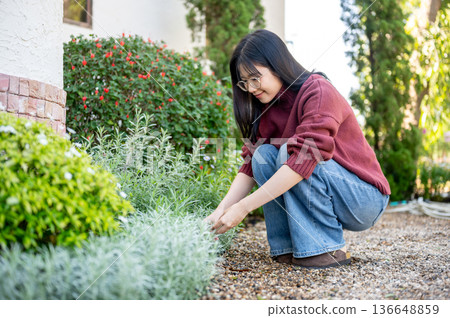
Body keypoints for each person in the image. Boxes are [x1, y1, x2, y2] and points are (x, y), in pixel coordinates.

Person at [204, 29, 390, 269]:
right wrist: (219, 212)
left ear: (277, 64)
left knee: (292, 154)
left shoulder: (318, 91)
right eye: (244, 82)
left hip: (364, 198)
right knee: (262, 155)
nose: (250, 89)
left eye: (255, 77)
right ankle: (290, 247)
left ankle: (326, 247)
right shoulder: (266, 107)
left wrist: (243, 208)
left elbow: (305, 159)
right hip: (333, 186)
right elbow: (250, 166)